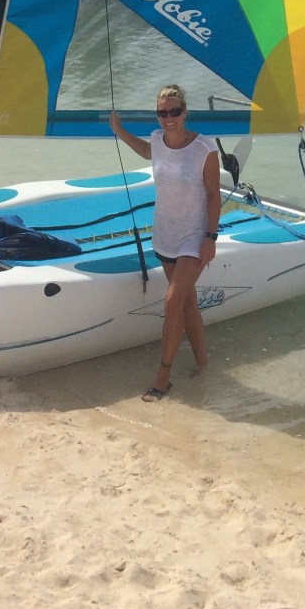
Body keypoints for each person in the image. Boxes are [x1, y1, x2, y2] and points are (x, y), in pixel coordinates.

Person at [109, 83, 221, 402]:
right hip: (165, 233)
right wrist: (119, 130)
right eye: (162, 112)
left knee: (173, 301)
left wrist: (210, 238)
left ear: (184, 112)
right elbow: (147, 151)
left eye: (174, 111)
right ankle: (203, 364)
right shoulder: (157, 140)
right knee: (186, 302)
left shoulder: (204, 148)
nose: (168, 117)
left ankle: (163, 376)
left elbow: (214, 195)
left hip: (194, 235)